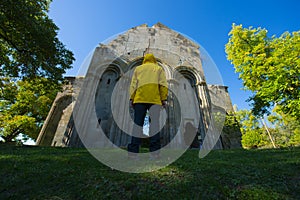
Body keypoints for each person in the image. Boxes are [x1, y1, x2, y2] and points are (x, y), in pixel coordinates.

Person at [128, 53, 168, 159]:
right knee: (154, 126)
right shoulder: (158, 69)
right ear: (154, 60)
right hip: (155, 100)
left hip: (140, 99)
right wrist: (163, 99)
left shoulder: (138, 69)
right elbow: (163, 84)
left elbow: (133, 84)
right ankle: (155, 154)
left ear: (144, 60)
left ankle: (133, 153)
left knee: (137, 125)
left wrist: (132, 98)